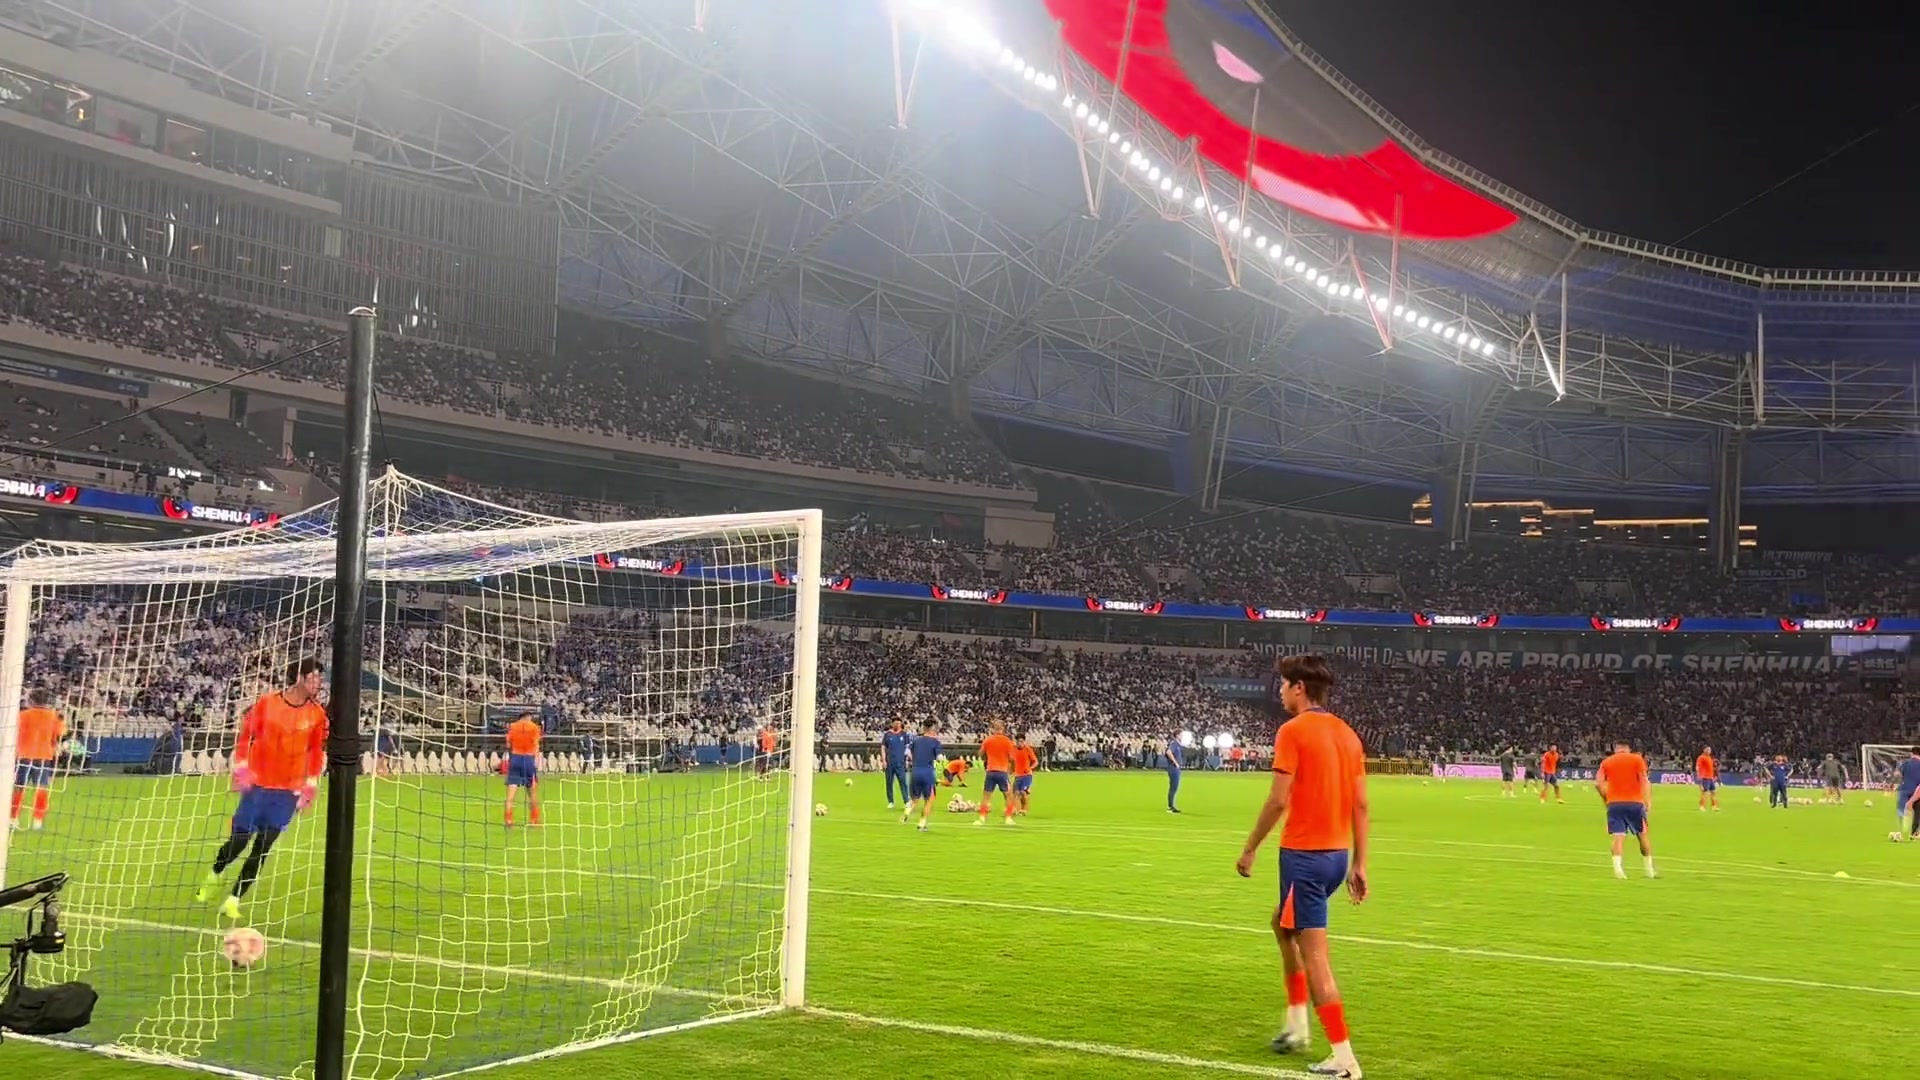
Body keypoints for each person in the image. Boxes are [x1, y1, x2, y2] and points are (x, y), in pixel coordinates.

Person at [1235, 655, 1368, 1079]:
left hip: (1305, 857)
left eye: (1282, 684)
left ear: (1298, 688)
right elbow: (1361, 805)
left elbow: (1278, 800)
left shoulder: (1292, 731)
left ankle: (1344, 1058)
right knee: (1281, 924)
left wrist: (1250, 848)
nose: (1279, 692)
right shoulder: (1348, 734)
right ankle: (1296, 1024)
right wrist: (1360, 863)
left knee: (1315, 958)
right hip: (1336, 857)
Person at [196, 659, 328, 921]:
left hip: (287, 792)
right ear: (299, 678)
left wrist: (311, 784)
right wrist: (241, 766)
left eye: (320, 679)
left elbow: (315, 751)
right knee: (239, 842)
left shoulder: (317, 714)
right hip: (258, 786)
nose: (318, 683)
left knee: (263, 847)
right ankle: (215, 874)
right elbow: (246, 736)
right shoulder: (268, 703)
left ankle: (233, 900)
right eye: (314, 678)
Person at [1596, 739, 1655, 880]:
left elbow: (1598, 784)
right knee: (1642, 835)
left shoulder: (1607, 762)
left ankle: (1618, 870)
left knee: (1618, 836)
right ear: (1628, 748)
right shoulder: (1637, 759)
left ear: (1616, 748)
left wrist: (1606, 799)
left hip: (1615, 804)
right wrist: (1647, 800)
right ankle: (1649, 870)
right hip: (1635, 803)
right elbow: (1644, 780)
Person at [10, 689, 65, 831]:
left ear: (31, 700)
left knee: (19, 787)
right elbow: (60, 733)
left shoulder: (22, 715)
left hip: (23, 755)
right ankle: (37, 821)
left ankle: (13, 818)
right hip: (43, 756)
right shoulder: (52, 716)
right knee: (42, 787)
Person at [504, 712, 542, 827]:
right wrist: (536, 762)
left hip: (515, 758)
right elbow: (536, 745)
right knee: (532, 792)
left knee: (511, 793)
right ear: (527, 717)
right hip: (528, 759)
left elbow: (508, 745)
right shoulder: (535, 728)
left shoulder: (512, 726)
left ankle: (508, 819)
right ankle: (534, 820)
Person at [977, 720, 1016, 826]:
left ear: (993, 728)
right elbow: (1012, 758)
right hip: (1002, 772)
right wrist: (1012, 769)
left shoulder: (988, 740)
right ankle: (1008, 818)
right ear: (1003, 728)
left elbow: (980, 753)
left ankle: (982, 818)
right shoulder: (1007, 741)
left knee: (986, 797)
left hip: (990, 771)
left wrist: (986, 758)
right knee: (1008, 795)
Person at [906, 720, 942, 831]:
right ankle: (922, 823)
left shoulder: (916, 740)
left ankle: (908, 810)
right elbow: (939, 758)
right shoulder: (935, 742)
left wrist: (915, 760)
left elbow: (907, 752)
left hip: (915, 771)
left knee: (915, 798)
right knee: (929, 799)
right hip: (927, 772)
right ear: (932, 729)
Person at [880, 719, 912, 810]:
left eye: (899, 723)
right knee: (889, 782)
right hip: (890, 762)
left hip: (900, 762)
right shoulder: (887, 734)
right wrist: (884, 760)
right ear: (892, 724)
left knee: (903, 782)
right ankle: (891, 802)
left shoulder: (904, 734)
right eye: (896, 723)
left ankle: (906, 801)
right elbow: (883, 747)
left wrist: (908, 759)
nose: (897, 724)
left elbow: (908, 748)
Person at [1896, 747, 1920, 840]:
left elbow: (1897, 774)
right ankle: (1914, 833)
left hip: (1904, 790)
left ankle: (1900, 832)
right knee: (1918, 811)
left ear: (1912, 753)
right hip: (1916, 790)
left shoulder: (1905, 763)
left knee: (1901, 811)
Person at [1013, 734, 1039, 816]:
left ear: (1024, 741)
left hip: (1027, 775)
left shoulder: (1028, 749)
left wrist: (1030, 768)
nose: (1020, 743)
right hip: (1017, 775)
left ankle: (1023, 809)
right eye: (1018, 741)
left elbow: (1036, 762)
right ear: (1016, 742)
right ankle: (1015, 809)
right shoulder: (1013, 749)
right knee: (1015, 793)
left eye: (1021, 741)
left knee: (1022, 792)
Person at [1165, 730, 1185, 814]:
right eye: (1181, 735)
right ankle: (1170, 807)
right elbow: (1168, 752)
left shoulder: (1178, 744)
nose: (1182, 736)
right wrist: (1175, 762)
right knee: (1173, 787)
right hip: (1173, 768)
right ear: (1177, 735)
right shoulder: (1174, 743)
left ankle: (1172, 805)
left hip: (1175, 768)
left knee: (1174, 787)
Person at [1695, 746, 1719, 812]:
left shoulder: (1709, 757)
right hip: (1705, 778)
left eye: (1710, 750)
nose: (1709, 751)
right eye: (1707, 749)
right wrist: (1698, 775)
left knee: (1713, 792)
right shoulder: (1701, 757)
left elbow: (1710, 768)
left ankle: (1714, 806)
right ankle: (1702, 806)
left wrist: (1713, 776)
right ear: (1704, 750)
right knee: (1704, 793)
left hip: (1710, 778)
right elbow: (1697, 767)